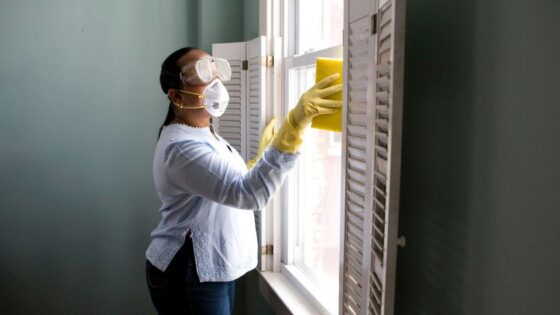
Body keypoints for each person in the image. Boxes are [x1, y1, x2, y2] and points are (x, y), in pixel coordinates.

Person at [145, 47, 342, 314]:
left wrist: (258, 161)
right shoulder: (180, 147)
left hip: (209, 269)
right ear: (176, 96)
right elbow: (248, 195)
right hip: (189, 270)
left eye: (214, 68)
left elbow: (220, 180)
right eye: (201, 72)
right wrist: (292, 129)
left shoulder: (202, 131)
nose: (214, 79)